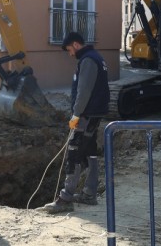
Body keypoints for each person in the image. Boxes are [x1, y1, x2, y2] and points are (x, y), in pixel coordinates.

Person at [39, 32, 109, 214]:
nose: (70, 54)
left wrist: (76, 114)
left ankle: (66, 197)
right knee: (90, 152)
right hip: (95, 113)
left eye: (70, 49)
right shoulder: (96, 57)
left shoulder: (87, 60)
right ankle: (89, 193)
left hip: (86, 114)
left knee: (74, 152)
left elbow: (84, 91)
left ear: (76, 45)